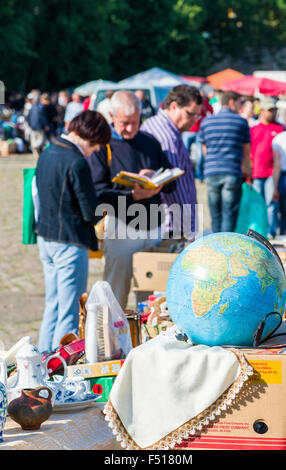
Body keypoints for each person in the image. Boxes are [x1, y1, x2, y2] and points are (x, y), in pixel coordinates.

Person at [87, 91, 176, 309]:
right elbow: (98, 193)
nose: (130, 128)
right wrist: (132, 195)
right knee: (115, 294)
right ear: (111, 116)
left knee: (151, 298)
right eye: (124, 123)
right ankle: (113, 340)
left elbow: (171, 182)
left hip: (153, 226)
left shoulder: (149, 141)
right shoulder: (102, 146)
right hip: (120, 228)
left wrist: (157, 180)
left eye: (135, 122)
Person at [35, 110, 111, 352]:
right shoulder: (76, 161)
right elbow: (91, 212)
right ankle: (58, 367)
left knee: (53, 305)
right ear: (91, 137)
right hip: (69, 241)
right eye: (97, 144)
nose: (97, 150)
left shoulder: (47, 152)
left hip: (46, 238)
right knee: (69, 312)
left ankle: (42, 357)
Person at [140, 85, 202, 238]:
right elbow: (176, 187)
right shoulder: (166, 137)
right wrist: (187, 228)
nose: (194, 121)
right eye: (190, 114)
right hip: (173, 226)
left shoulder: (160, 126)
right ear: (174, 106)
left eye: (197, 116)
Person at [199, 91, 251, 233]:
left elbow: (204, 151)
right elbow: (246, 152)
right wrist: (248, 173)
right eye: (240, 103)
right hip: (232, 172)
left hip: (211, 171)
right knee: (229, 214)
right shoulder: (241, 122)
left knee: (215, 215)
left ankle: (216, 248)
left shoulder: (207, 121)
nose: (241, 107)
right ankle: (226, 248)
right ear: (232, 102)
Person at [250, 97, 284, 239]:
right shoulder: (253, 129)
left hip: (272, 172)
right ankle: (259, 232)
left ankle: (270, 232)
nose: (273, 113)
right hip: (257, 172)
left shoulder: (280, 128)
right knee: (257, 204)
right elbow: (248, 151)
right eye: (270, 110)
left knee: (271, 204)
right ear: (262, 111)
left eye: (274, 110)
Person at [26, 93, 50, 157]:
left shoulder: (31, 108)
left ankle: (34, 149)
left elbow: (27, 118)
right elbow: (42, 118)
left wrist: (30, 125)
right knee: (40, 140)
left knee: (35, 140)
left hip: (33, 127)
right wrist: (45, 125)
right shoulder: (40, 108)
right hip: (39, 127)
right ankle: (33, 147)